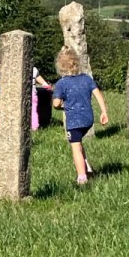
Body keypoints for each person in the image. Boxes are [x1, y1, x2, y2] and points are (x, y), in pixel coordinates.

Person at [50, 49, 111, 185]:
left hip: (74, 122)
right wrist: (104, 112)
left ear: (60, 66)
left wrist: (62, 106)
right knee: (79, 142)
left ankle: (82, 177)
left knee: (76, 148)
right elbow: (98, 94)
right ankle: (87, 168)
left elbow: (56, 104)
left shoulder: (61, 84)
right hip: (88, 119)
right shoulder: (87, 79)